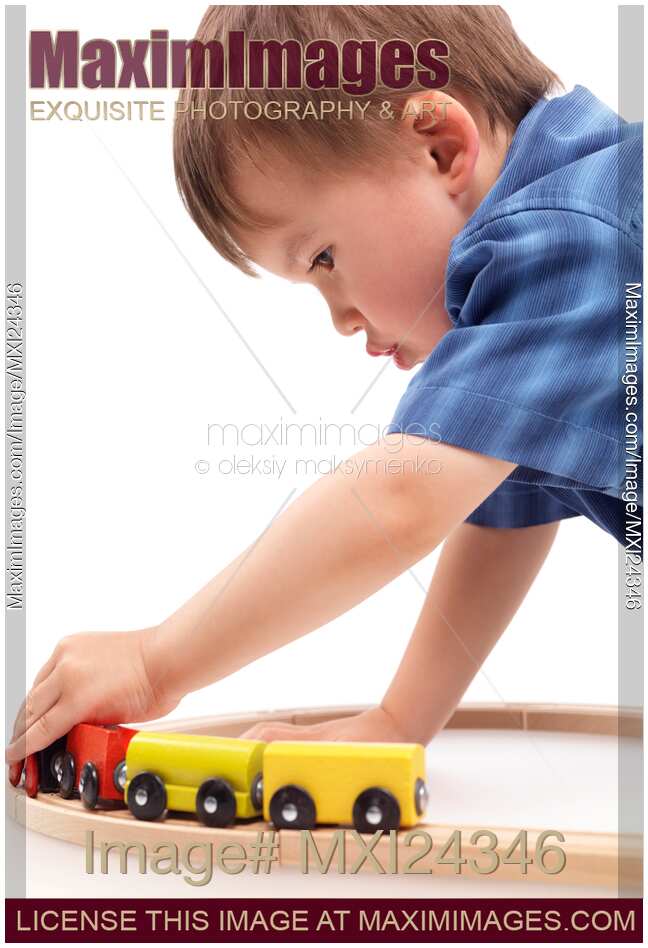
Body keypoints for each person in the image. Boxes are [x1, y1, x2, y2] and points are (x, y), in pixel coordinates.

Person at [7, 5, 642, 763]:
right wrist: (400, 722)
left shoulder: (574, 238)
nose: (340, 318)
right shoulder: (564, 254)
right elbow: (501, 517)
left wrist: (155, 662)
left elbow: (402, 499)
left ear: (442, 150)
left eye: (323, 260)